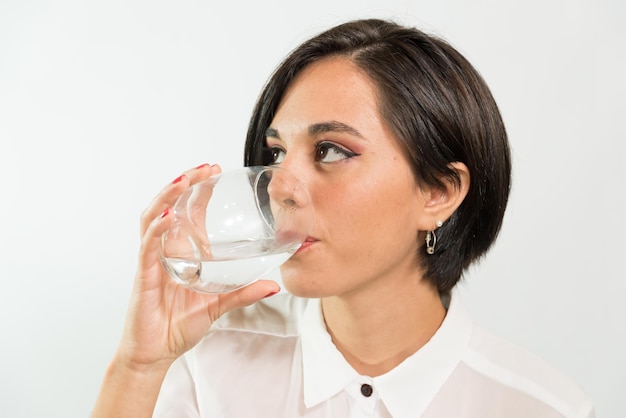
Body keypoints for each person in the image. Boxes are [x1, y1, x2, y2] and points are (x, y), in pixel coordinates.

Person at [91, 18, 594, 417]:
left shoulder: (542, 407)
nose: (281, 189)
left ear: (438, 192)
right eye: (275, 155)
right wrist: (140, 364)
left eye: (331, 151)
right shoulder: (210, 360)